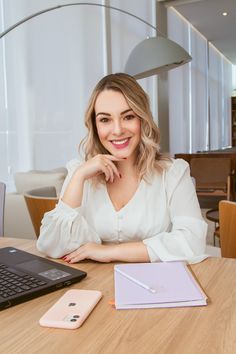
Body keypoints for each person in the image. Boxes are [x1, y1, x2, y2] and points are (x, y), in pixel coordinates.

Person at [37, 73, 208, 264]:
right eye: (105, 119)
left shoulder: (173, 173)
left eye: (128, 117)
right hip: (96, 283)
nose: (117, 130)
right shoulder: (80, 172)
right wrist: (78, 177)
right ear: (95, 125)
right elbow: (51, 245)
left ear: (142, 119)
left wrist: (108, 252)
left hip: (157, 284)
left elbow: (191, 242)